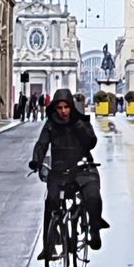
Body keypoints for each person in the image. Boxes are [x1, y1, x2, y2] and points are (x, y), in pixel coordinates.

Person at [29, 88, 108, 255]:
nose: (63, 111)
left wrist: (78, 125)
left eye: (66, 107)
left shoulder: (80, 121)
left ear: (71, 107)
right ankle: (49, 246)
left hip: (82, 169)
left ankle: (94, 229)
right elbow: (42, 144)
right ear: (55, 109)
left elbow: (91, 142)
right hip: (60, 171)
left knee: (93, 196)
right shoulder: (50, 124)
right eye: (59, 108)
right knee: (51, 202)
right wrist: (37, 160)